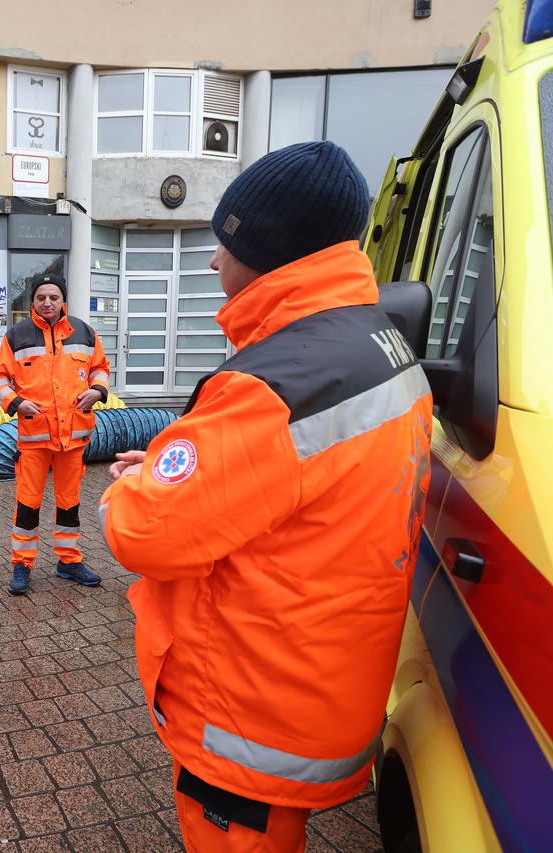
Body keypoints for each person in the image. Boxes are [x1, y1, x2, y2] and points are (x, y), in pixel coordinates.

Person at [98, 141, 433, 852]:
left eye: (224, 241)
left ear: (272, 251)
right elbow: (292, 491)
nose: (214, 260)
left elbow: (144, 532)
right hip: (325, 681)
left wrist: (132, 484)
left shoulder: (270, 383)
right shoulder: (381, 342)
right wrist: (172, 459)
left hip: (249, 713)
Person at [0, 273, 111, 595]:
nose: (47, 303)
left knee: (69, 503)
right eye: (41, 297)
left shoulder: (84, 331)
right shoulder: (17, 335)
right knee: (28, 503)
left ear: (62, 300)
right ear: (33, 301)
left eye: (54, 297)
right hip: (35, 437)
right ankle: (22, 563)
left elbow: (100, 368)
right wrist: (15, 402)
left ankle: (68, 561)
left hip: (74, 437)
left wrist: (98, 390)